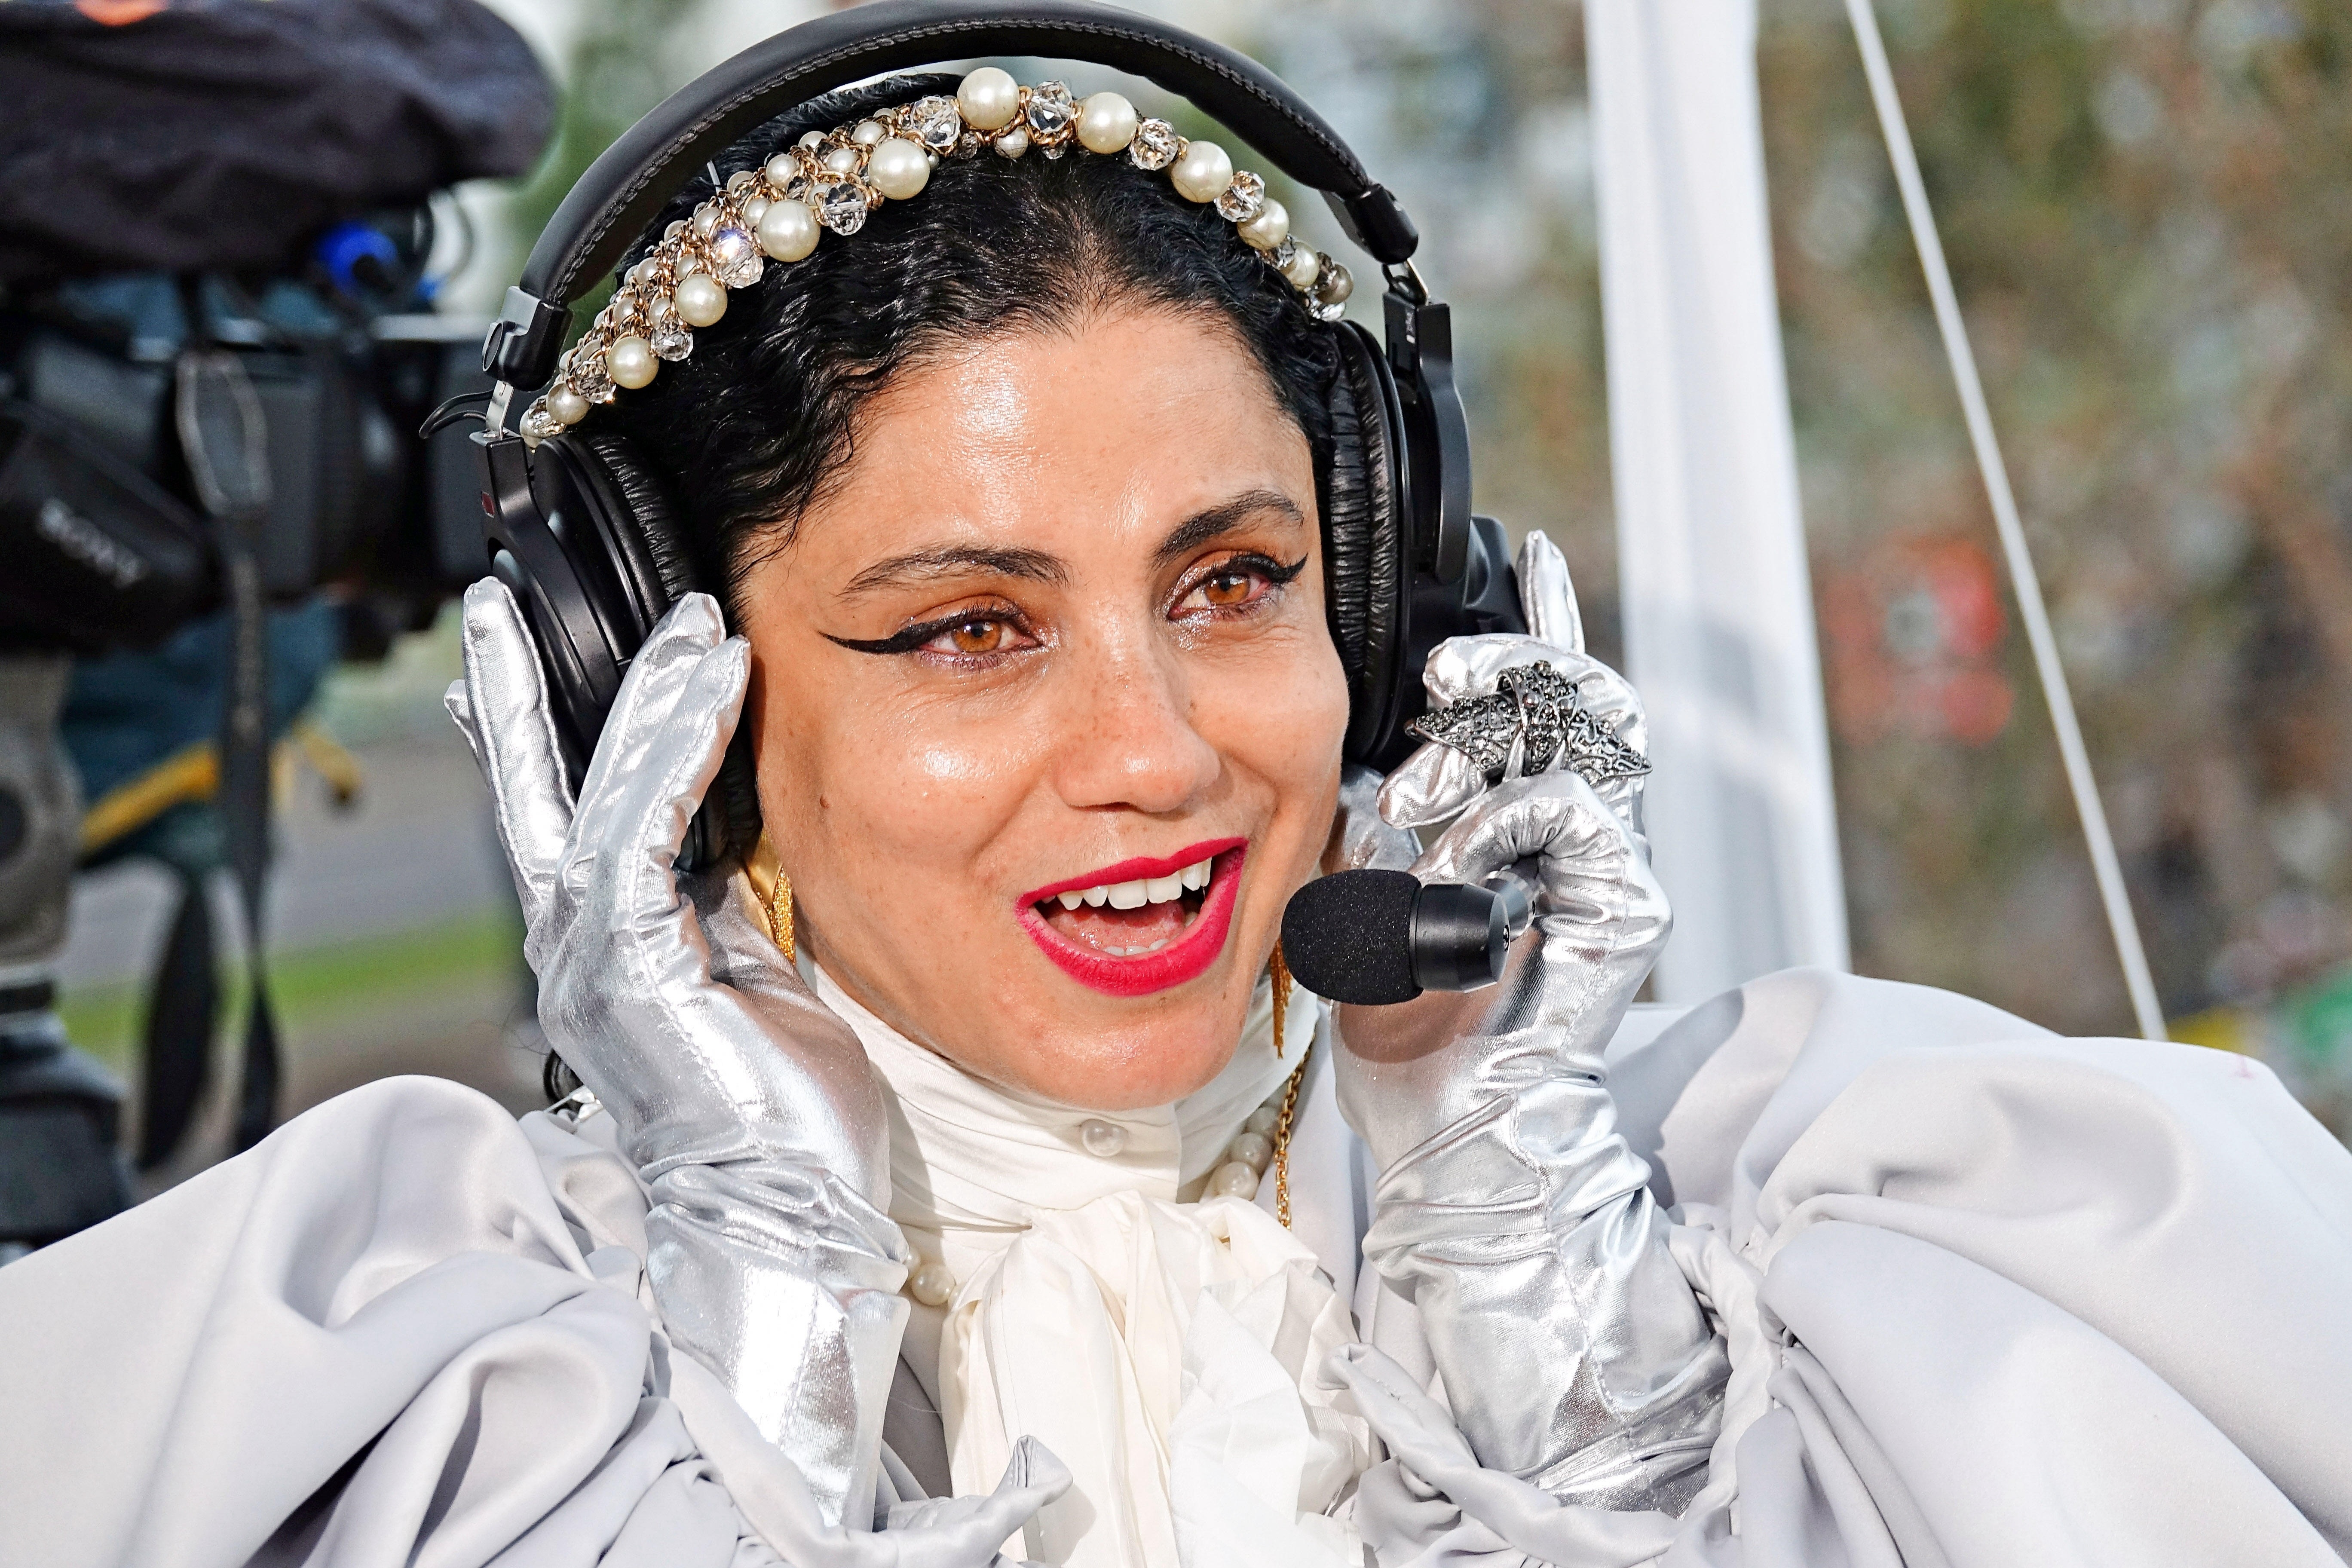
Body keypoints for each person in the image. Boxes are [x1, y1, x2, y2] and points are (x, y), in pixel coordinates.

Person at [5, 35, 2352, 1568]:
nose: (1157, 750)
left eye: (1232, 584)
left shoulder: (1871, 1223)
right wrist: (750, 1397)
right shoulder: (381, 1383)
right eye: (966, 629)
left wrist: (1570, 1364)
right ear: (662, 719)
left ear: (1404, 592)